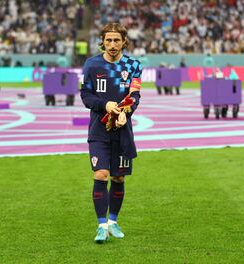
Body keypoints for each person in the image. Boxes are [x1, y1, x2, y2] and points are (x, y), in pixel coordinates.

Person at [80, 22, 142, 244]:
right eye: (108, 40)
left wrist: (127, 111)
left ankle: (114, 221)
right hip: (99, 129)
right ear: (102, 41)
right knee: (101, 174)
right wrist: (106, 106)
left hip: (123, 131)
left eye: (117, 40)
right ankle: (101, 225)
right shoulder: (92, 65)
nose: (113, 44)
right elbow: (85, 96)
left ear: (124, 41)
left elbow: (134, 96)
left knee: (118, 177)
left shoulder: (133, 66)